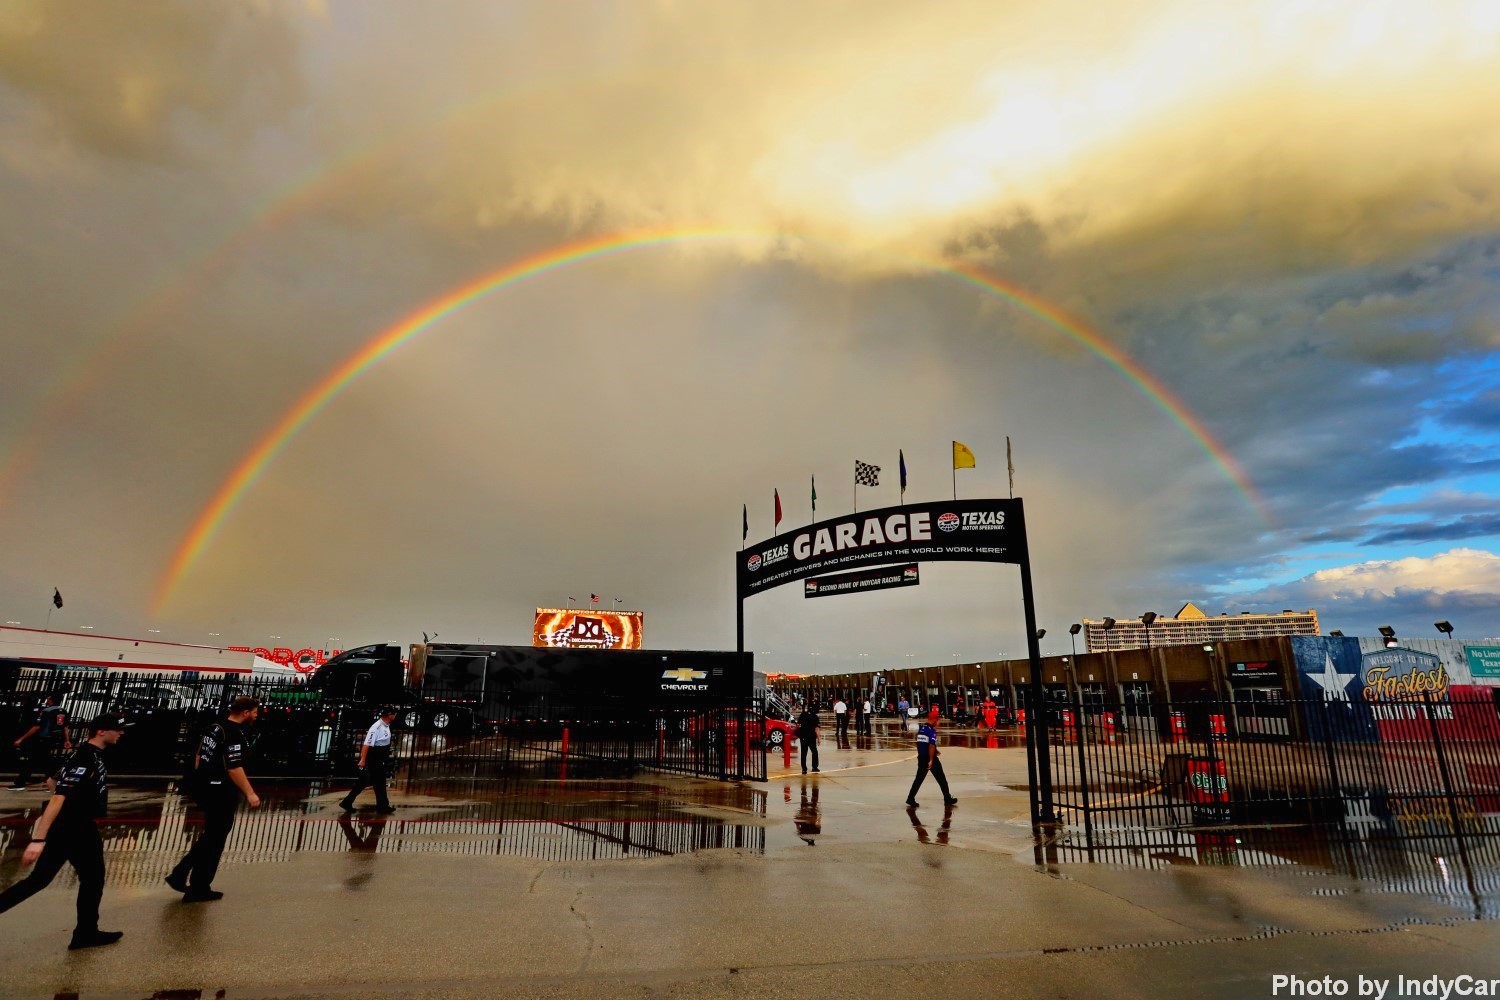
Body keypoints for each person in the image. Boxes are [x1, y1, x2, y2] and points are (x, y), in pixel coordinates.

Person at [0, 713, 126, 950]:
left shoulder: (87, 754)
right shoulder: (85, 757)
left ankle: (86, 932)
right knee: (91, 879)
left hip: (72, 825)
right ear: (101, 731)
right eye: (117, 729)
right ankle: (86, 934)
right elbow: (58, 797)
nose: (121, 732)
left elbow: (52, 780)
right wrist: (38, 839)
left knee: (42, 880)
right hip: (76, 827)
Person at [167, 695, 261, 902]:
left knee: (211, 836)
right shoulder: (233, 733)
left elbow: (199, 754)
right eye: (254, 712)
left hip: (207, 787)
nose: (256, 716)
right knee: (215, 838)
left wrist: (199, 779)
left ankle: (195, 883)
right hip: (221, 791)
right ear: (245, 713)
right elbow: (234, 767)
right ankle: (186, 876)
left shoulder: (215, 727)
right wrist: (250, 792)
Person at [8, 684, 72, 791]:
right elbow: (66, 727)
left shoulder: (46, 711)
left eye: (48, 698)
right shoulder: (63, 711)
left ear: (51, 700)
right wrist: (67, 740)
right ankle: (51, 781)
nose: (47, 700)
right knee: (46, 761)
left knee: (32, 760)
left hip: (44, 738)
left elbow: (37, 727)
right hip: (55, 738)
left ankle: (20, 783)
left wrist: (21, 738)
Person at [339, 707, 397, 814]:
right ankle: (348, 802)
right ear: (390, 715)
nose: (395, 716)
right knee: (368, 781)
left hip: (380, 757)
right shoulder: (376, 727)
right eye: (394, 714)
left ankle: (382, 806)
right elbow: (366, 745)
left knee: (378, 782)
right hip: (374, 758)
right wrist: (362, 760)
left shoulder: (386, 725)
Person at [906, 717, 957, 808]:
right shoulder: (931, 731)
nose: (938, 723)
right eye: (938, 721)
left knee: (918, 780)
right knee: (941, 779)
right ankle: (947, 798)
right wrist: (931, 759)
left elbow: (920, 744)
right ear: (933, 720)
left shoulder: (922, 729)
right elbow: (931, 745)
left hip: (922, 757)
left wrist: (922, 755)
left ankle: (910, 798)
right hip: (929, 758)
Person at [795, 703, 820, 774]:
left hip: (803, 736)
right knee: (814, 752)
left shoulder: (802, 715)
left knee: (804, 752)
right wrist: (819, 738)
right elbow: (817, 728)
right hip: (811, 736)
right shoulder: (815, 716)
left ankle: (804, 768)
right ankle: (814, 767)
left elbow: (798, 725)